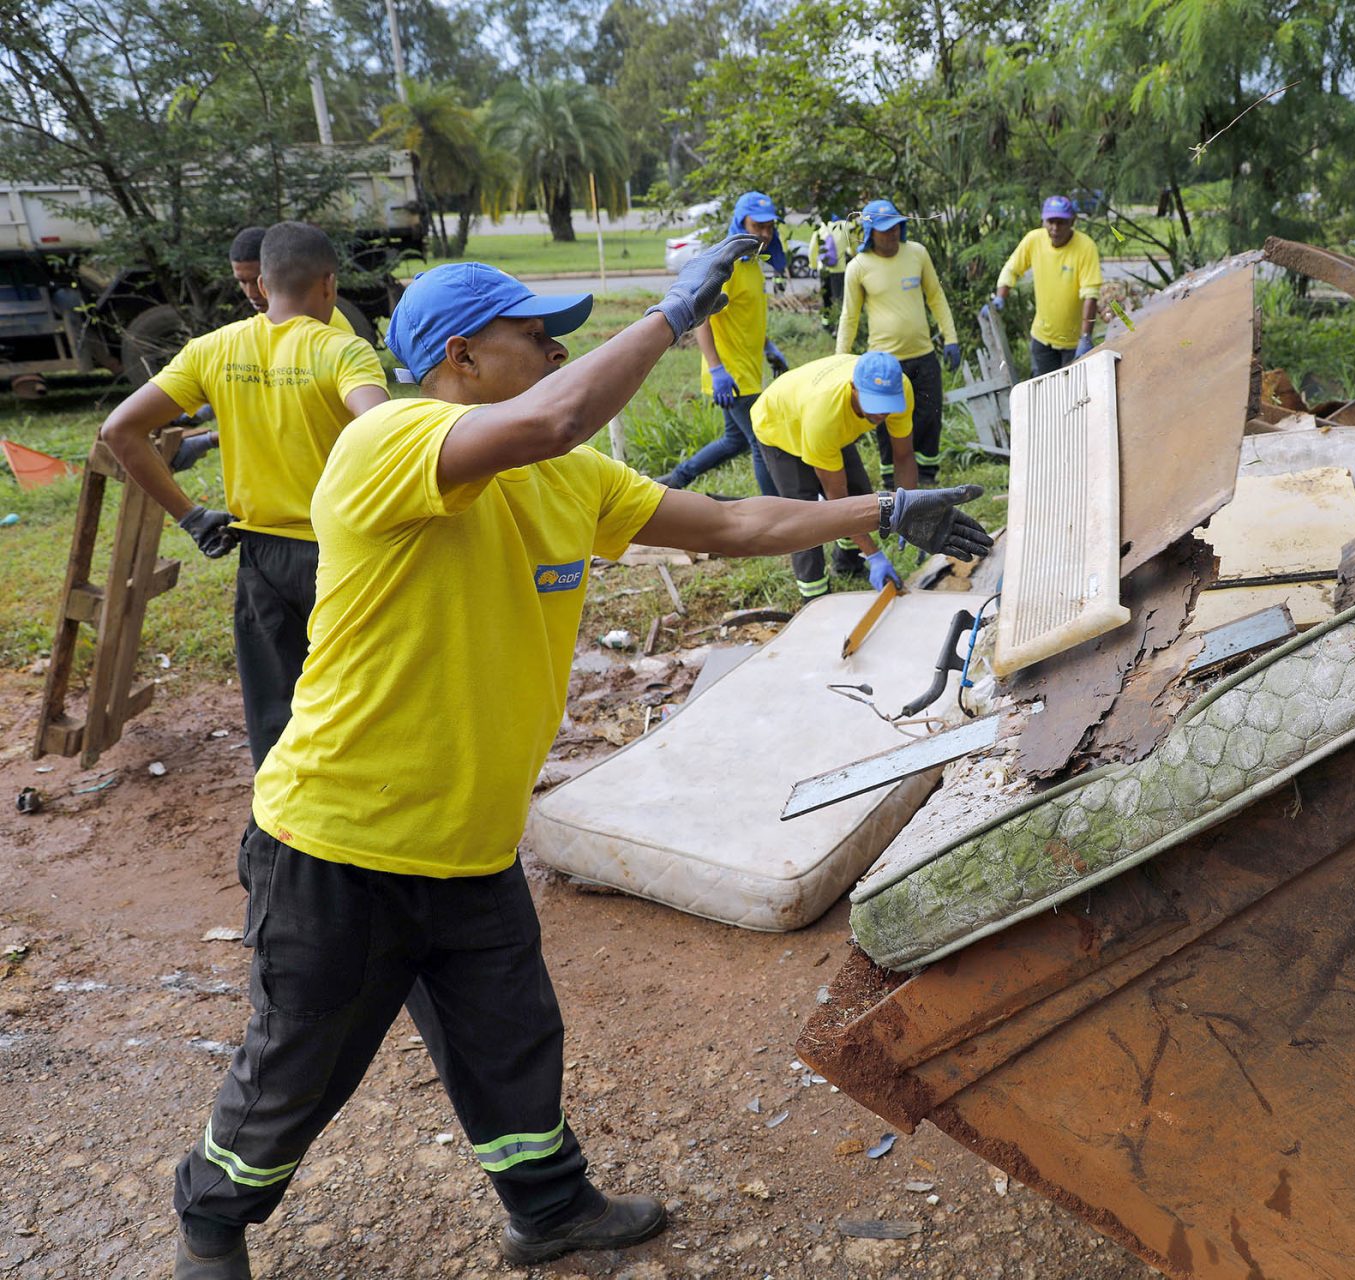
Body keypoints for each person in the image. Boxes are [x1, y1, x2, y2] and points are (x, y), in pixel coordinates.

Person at [167, 236, 990, 1280]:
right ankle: (211, 1221)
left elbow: (737, 518)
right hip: (338, 838)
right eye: (536, 334)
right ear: (459, 358)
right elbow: (555, 413)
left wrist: (883, 508)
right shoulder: (388, 443)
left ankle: (547, 1208)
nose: (557, 350)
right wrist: (673, 318)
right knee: (298, 1058)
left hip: (468, 843)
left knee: (510, 1038)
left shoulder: (570, 474)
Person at [100, 222, 390, 768]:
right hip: (344, 558)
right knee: (362, 701)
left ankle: (277, 836)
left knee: (275, 712)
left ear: (264, 283)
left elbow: (120, 431)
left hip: (261, 560)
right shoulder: (344, 351)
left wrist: (189, 517)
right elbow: (383, 431)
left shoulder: (212, 350)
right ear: (328, 284)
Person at [751, 351, 920, 598]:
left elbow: (904, 456)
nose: (882, 415)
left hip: (823, 420)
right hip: (780, 425)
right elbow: (838, 502)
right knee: (804, 516)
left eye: (887, 407)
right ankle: (814, 595)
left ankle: (848, 563)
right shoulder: (824, 416)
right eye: (875, 405)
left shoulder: (901, 389)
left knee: (861, 495)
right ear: (853, 388)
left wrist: (910, 513)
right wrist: (875, 554)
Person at [654, 192, 787, 495]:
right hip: (732, 373)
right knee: (760, 440)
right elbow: (703, 319)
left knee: (734, 440)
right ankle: (773, 508)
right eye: (758, 226)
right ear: (741, 223)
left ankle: (676, 480)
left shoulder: (753, 263)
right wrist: (717, 370)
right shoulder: (729, 267)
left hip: (749, 367)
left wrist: (769, 349)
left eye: (770, 227)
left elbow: (747, 317)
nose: (765, 234)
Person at [836, 197, 961, 488]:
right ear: (870, 233)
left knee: (929, 415)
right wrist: (839, 360)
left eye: (896, 228)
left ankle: (927, 476)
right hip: (884, 361)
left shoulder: (917, 254)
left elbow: (936, 297)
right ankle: (892, 480)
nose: (892, 234)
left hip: (923, 353)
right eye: (884, 230)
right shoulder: (858, 267)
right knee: (884, 420)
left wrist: (951, 337)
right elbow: (849, 317)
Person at [994, 195, 1104, 376]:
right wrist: (1000, 296)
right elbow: (1011, 269)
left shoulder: (1085, 247)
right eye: (1050, 222)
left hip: (1073, 342)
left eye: (1061, 222)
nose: (1055, 228)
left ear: (1072, 222)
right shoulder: (1034, 240)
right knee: (1043, 392)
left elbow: (1090, 295)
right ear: (1043, 221)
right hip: (1042, 338)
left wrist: (1085, 337)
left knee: (1072, 396)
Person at [229, 225, 360, 337]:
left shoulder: (331, 327)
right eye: (242, 282)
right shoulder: (257, 328)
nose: (251, 293)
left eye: (255, 281)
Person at [808, 210, 855, 332]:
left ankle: (826, 325)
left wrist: (813, 266)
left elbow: (813, 248)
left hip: (823, 269)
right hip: (839, 270)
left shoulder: (821, 227)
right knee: (839, 299)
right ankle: (839, 327)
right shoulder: (847, 226)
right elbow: (854, 248)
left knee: (826, 298)